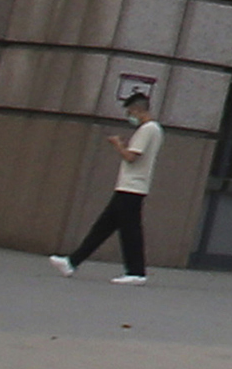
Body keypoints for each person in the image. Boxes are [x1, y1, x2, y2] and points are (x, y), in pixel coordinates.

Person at [44, 84, 161, 282]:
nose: (130, 116)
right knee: (104, 227)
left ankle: (136, 272)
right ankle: (73, 261)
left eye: (130, 112)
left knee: (129, 231)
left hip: (131, 187)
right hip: (130, 187)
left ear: (139, 110)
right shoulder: (155, 130)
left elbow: (131, 157)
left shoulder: (147, 130)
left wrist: (118, 145)